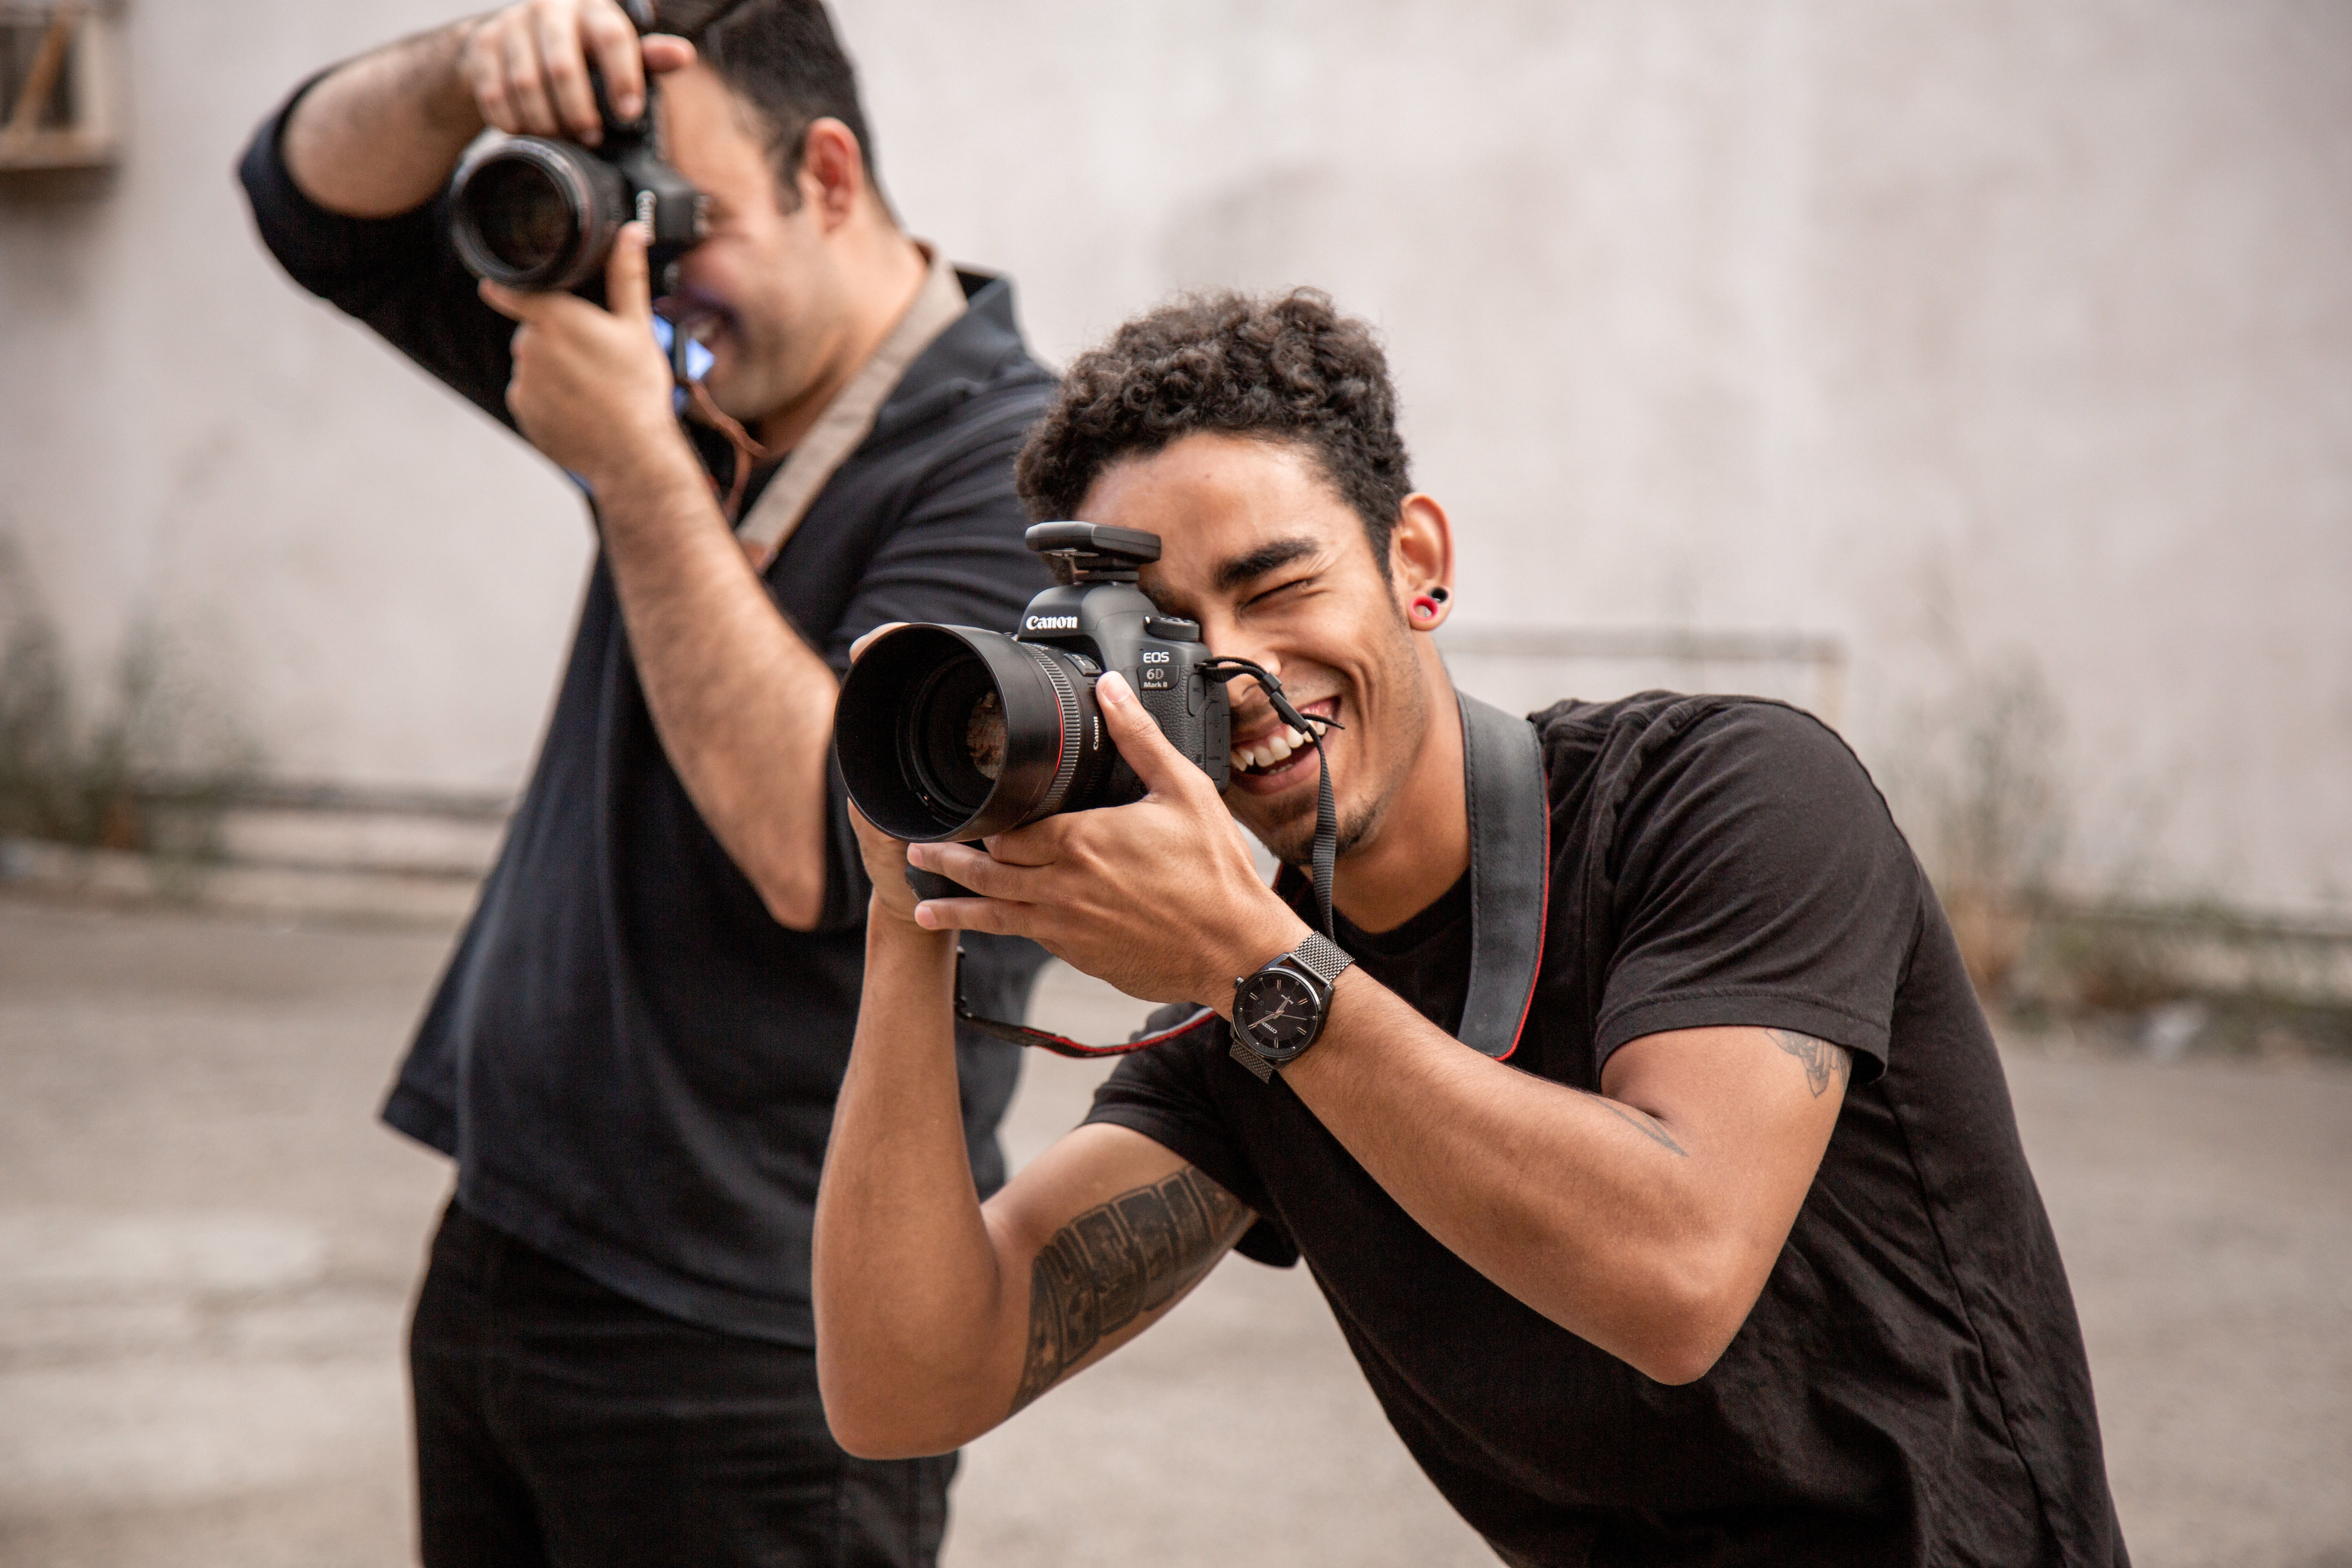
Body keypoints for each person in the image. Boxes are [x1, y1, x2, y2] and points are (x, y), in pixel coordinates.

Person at [813, 290, 2131, 1567]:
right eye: (1160, 640)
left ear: (1417, 563)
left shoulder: (1728, 799)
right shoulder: (1246, 993)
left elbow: (1676, 1277)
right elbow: (906, 1388)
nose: (1234, 671)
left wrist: (1253, 966)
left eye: (1278, 586)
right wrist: (907, 921)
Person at [236, 2, 1053, 1562]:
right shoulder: (679, 362)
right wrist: (475, 65)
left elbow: (825, 844)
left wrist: (635, 469)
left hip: (762, 1330)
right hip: (508, 1237)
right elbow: (304, 199)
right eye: (625, 228)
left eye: (686, 221)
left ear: (826, 174)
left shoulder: (1022, 470)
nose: (649, 283)